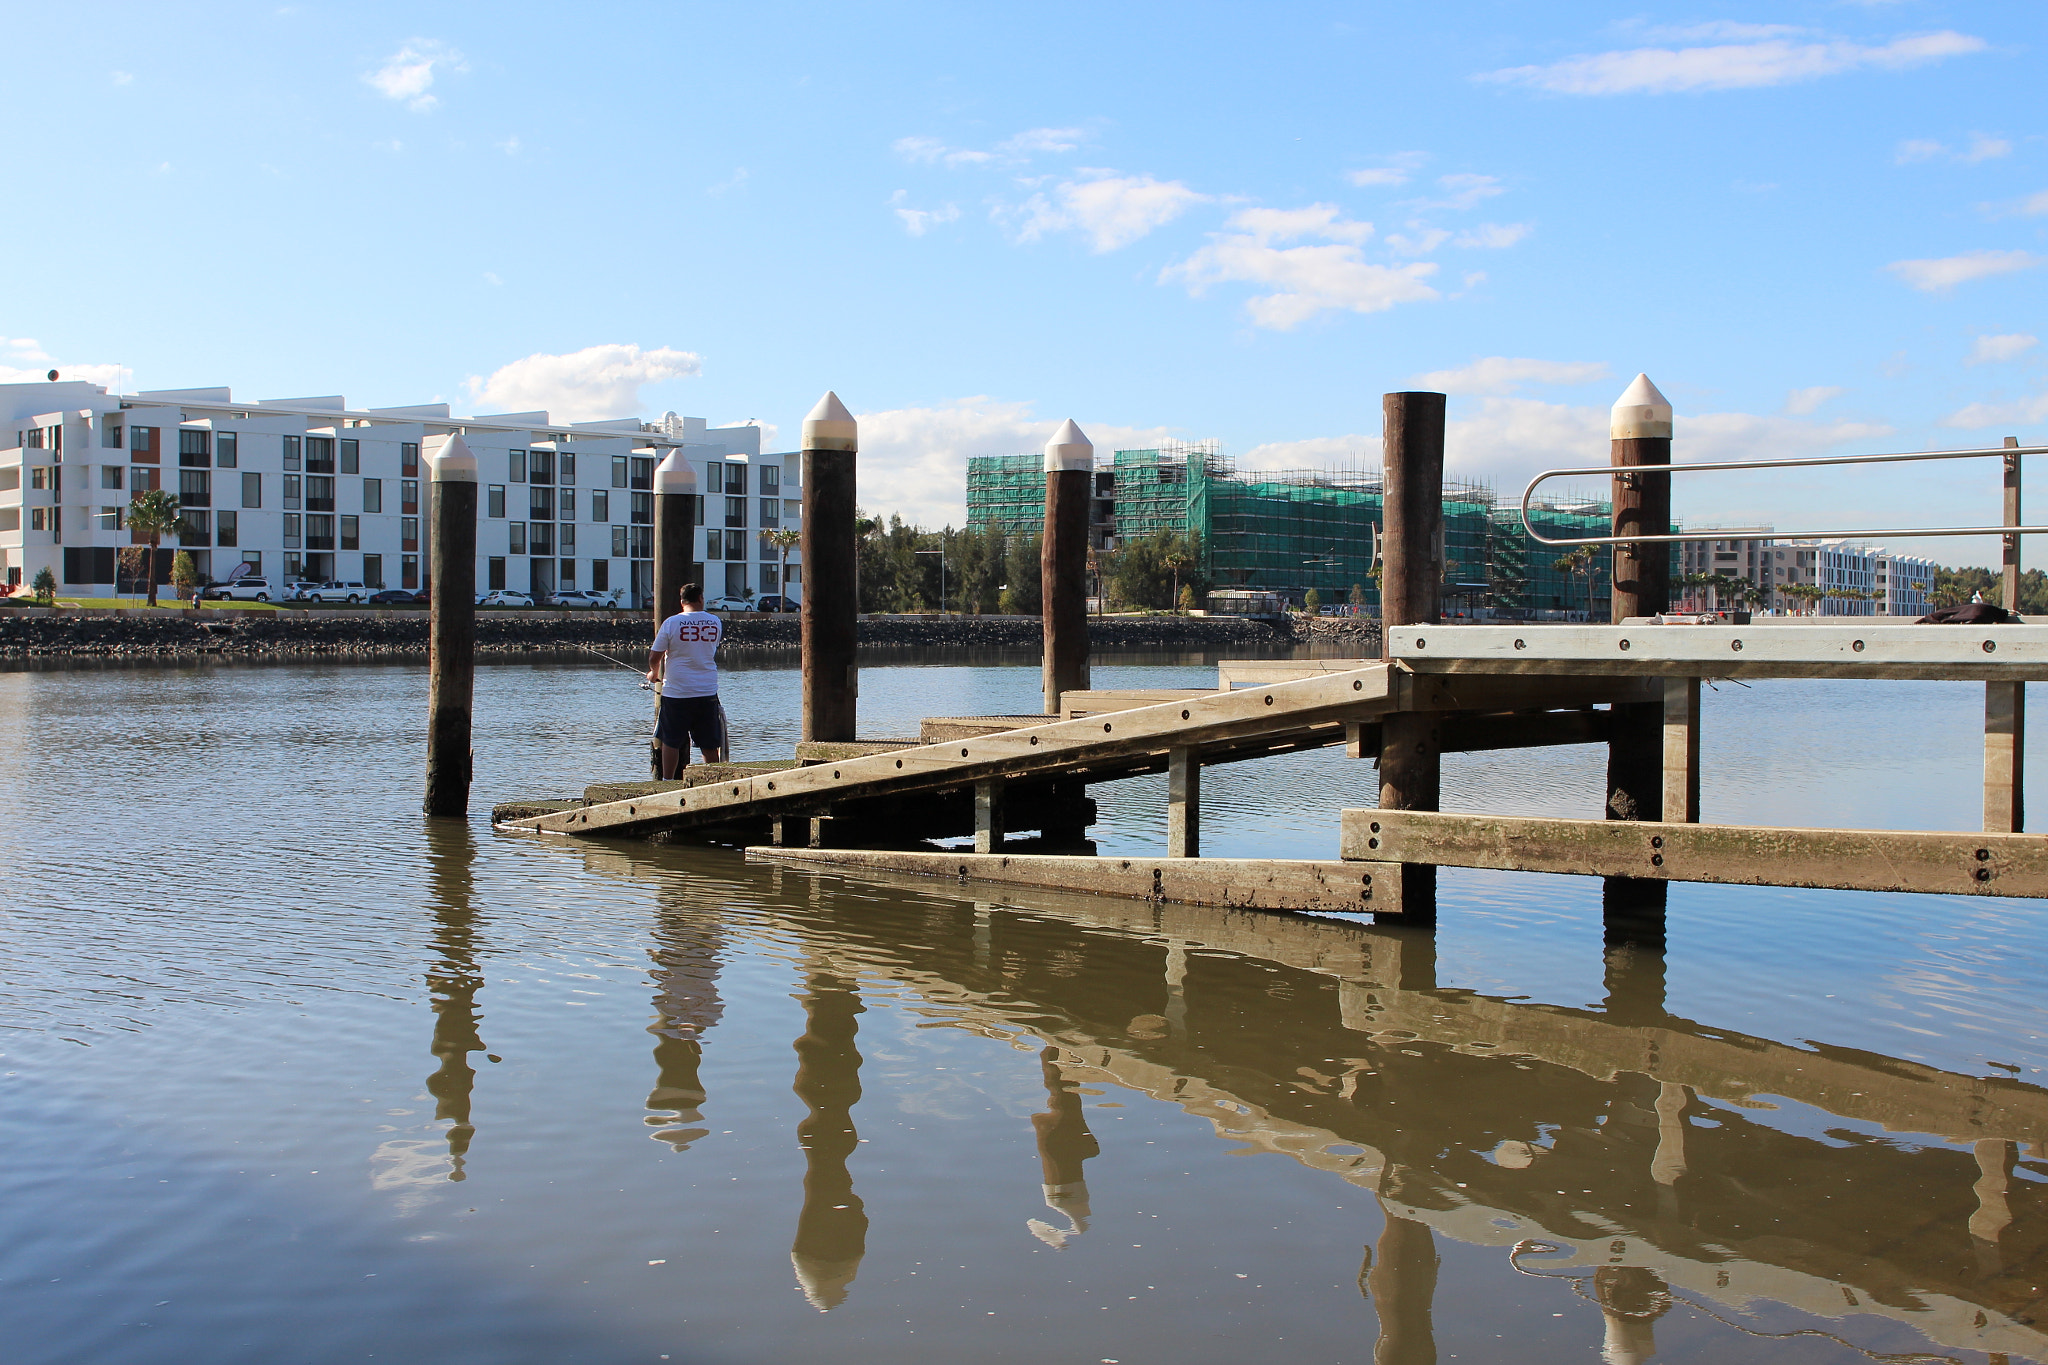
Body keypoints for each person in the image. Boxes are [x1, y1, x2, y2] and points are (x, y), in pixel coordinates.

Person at [647, 582, 727, 778]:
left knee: (671, 740)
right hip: (706, 691)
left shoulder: (671, 623)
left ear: (681, 601)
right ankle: (712, 780)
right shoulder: (715, 622)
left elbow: (654, 657)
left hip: (677, 692)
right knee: (709, 743)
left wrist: (653, 673)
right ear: (700, 598)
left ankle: (667, 781)